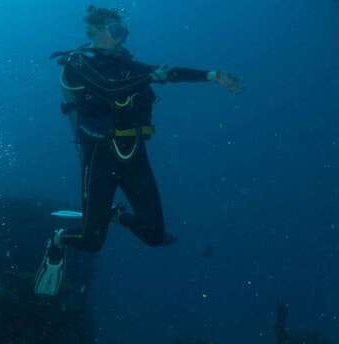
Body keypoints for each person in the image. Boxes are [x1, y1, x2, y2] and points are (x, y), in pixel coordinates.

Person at [35, 5, 241, 296]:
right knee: (91, 241)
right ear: (94, 31)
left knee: (156, 235)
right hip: (99, 153)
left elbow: (168, 73)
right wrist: (150, 76)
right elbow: (110, 89)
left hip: (132, 151)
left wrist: (211, 75)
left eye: (124, 32)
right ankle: (57, 240)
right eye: (116, 31)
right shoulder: (78, 63)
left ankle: (117, 215)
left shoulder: (128, 65)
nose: (122, 38)